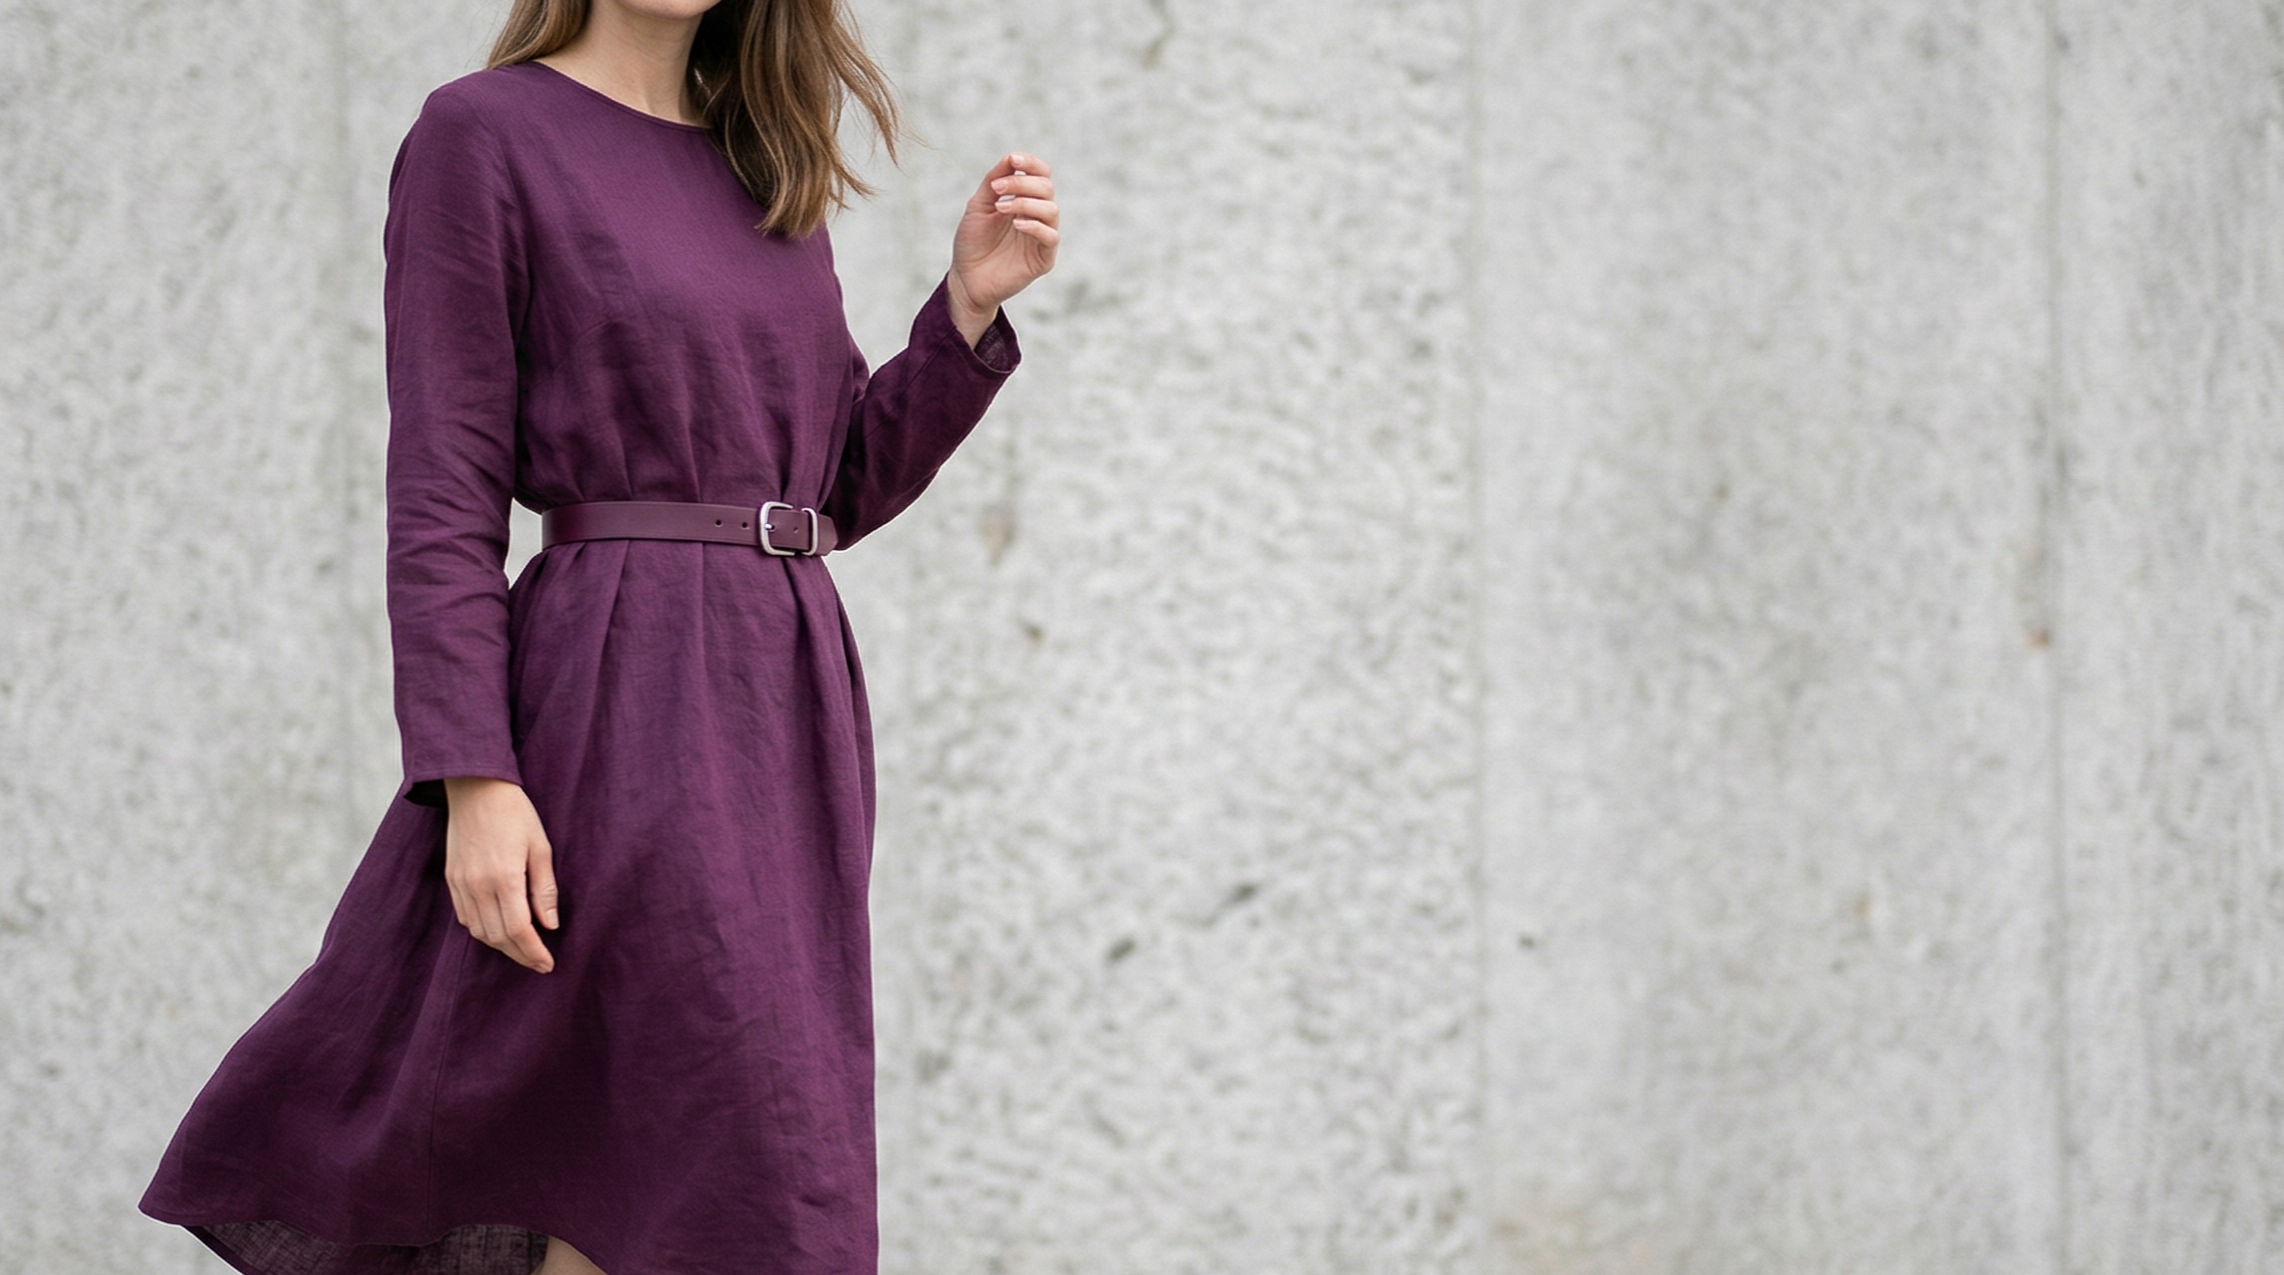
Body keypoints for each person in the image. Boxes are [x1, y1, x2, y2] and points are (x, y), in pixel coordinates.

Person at [138, 0, 1058, 1270]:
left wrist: (961, 313)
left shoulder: (760, 161)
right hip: (618, 700)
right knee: (699, 1146)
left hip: (781, 715)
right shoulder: (482, 135)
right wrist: (472, 774)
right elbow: (443, 495)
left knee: (686, 1158)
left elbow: (835, 484)